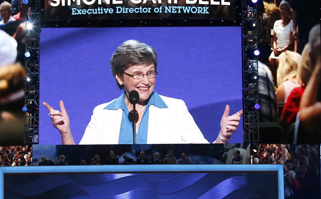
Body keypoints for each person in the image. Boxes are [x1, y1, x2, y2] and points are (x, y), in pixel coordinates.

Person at [43, 40, 242, 145]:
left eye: (150, 73)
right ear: (120, 77)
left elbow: (204, 159)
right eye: (137, 74)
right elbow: (80, 164)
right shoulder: (102, 113)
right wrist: (66, 133)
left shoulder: (175, 108)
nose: (146, 81)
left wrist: (222, 137)